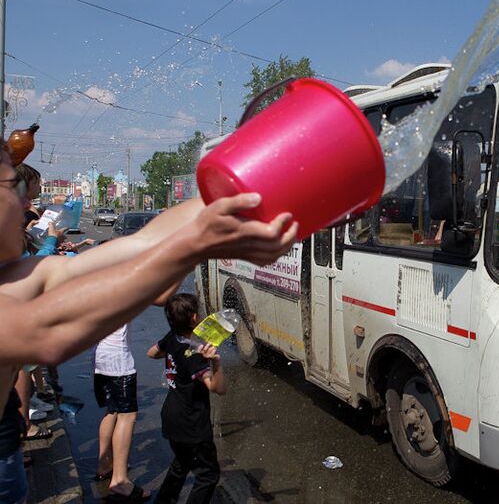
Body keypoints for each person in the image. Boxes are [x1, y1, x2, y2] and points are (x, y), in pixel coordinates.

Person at [0, 141, 298, 502]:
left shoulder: (19, 273)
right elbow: (48, 334)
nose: (29, 208)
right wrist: (197, 244)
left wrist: (241, 192)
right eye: (12, 186)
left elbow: (146, 242)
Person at [147, 294, 224, 504]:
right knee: (208, 475)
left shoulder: (172, 337)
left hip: (171, 417)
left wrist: (176, 357)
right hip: (192, 423)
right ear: (195, 318)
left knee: (181, 463)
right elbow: (217, 388)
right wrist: (215, 363)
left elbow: (152, 353)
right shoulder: (195, 356)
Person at [93, 323, 147, 501]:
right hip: (118, 359)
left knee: (112, 411)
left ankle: (105, 464)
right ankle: (120, 480)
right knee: (127, 415)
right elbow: (159, 300)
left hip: (101, 356)